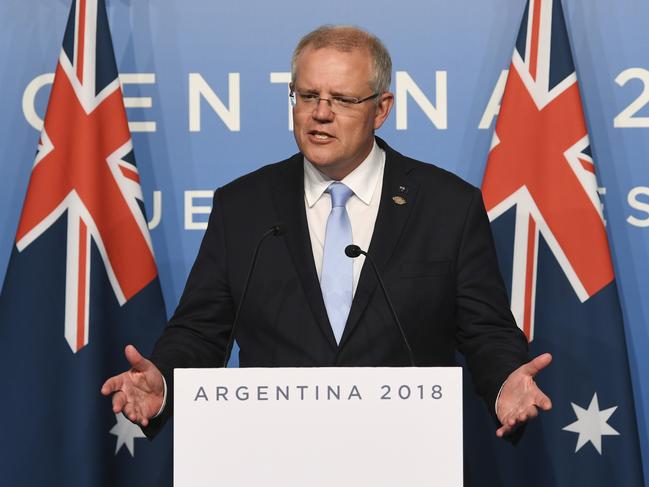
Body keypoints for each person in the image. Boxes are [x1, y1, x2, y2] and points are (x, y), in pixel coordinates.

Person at [101, 25, 552, 439]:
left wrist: (504, 382)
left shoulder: (447, 206)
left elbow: (485, 331)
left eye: (343, 99)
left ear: (381, 109)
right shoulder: (243, 206)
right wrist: (164, 379)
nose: (320, 114)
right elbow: (200, 331)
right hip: (272, 455)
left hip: (404, 454)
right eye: (307, 95)